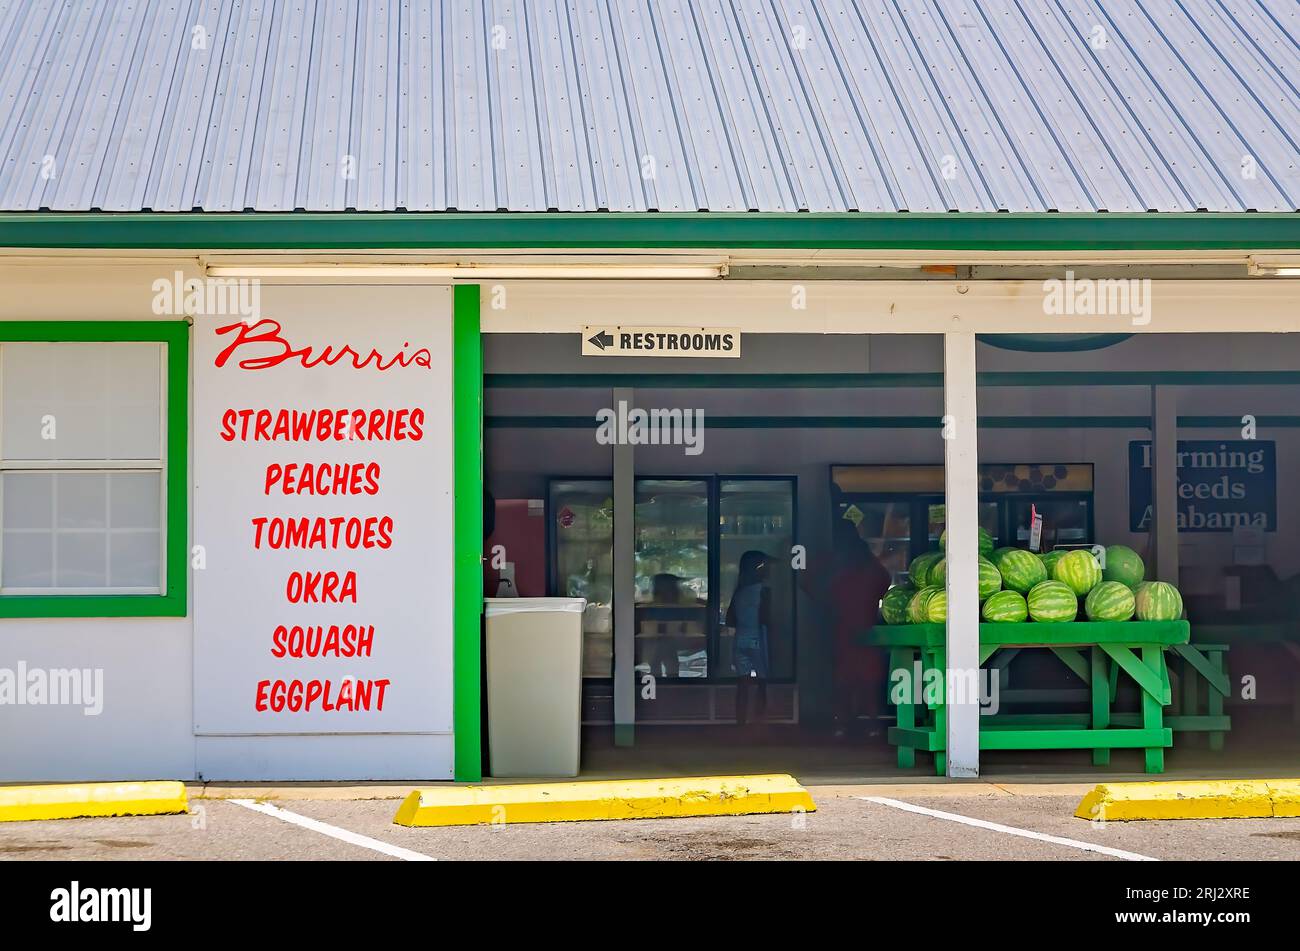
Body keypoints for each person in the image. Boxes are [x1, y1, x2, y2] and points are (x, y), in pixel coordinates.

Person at [828, 519, 892, 740]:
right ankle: (872, 725)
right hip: (867, 626)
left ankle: (842, 724)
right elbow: (885, 580)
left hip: (841, 628)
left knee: (843, 681)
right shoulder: (866, 559)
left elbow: (814, 585)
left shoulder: (834, 560)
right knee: (869, 681)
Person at [726, 550, 771, 734]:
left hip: (740, 640)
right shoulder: (763, 591)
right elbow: (766, 617)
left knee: (742, 685)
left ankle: (740, 724)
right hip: (758, 637)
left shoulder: (739, 591)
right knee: (762, 683)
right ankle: (759, 725)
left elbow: (730, 619)